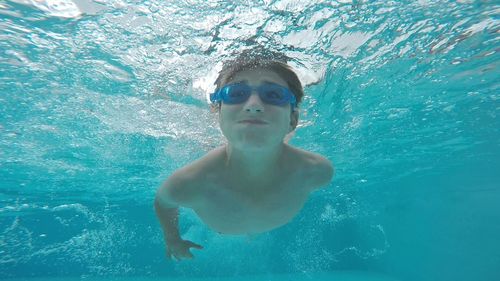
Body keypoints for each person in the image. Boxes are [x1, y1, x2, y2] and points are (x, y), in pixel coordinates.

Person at [154, 48, 334, 261]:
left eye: (273, 95)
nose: (254, 106)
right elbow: (163, 203)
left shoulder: (316, 171)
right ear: (218, 113)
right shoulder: (188, 183)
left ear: (293, 120)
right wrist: (172, 239)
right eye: (236, 94)